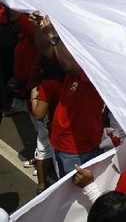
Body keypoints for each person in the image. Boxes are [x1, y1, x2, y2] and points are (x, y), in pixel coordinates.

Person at [30, 11, 105, 177]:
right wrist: (39, 28)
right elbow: (46, 49)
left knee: (77, 197)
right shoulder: (73, 63)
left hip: (78, 149)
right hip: (59, 143)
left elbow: (70, 65)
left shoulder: (95, 70)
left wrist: (53, 34)